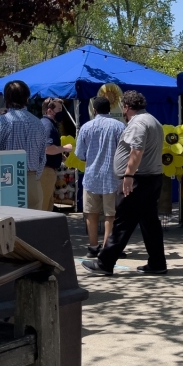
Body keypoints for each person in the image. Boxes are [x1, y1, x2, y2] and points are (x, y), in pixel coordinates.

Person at [82, 90, 167, 276]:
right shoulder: (153, 120)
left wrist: (128, 175)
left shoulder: (138, 123)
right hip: (151, 178)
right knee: (150, 223)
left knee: (122, 222)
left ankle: (104, 264)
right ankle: (157, 263)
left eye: (123, 108)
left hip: (138, 179)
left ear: (126, 107)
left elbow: (137, 151)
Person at [0, 80, 48, 209]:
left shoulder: (1, 123)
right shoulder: (38, 123)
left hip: (7, 182)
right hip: (32, 181)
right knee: (33, 221)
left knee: (9, 221)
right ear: (27, 98)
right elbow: (42, 157)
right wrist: (33, 177)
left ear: (6, 99)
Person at [74, 96, 125, 258]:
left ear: (94, 110)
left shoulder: (86, 127)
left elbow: (80, 154)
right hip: (112, 176)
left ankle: (93, 246)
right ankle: (107, 248)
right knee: (111, 214)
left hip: (91, 176)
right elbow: (124, 153)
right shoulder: (119, 126)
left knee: (91, 213)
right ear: (110, 109)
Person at [39, 98, 73, 212]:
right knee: (44, 207)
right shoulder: (48, 126)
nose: (61, 112)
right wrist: (64, 148)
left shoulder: (44, 123)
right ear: (49, 111)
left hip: (44, 170)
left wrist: (58, 155)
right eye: (59, 109)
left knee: (48, 204)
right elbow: (47, 148)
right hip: (46, 171)